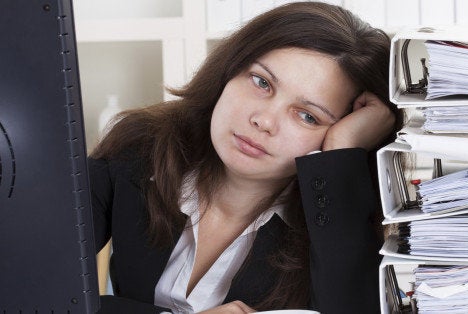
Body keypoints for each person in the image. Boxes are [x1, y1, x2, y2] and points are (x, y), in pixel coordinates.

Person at [88, 2, 402, 313]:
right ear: (230, 68)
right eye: (262, 82)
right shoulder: (140, 148)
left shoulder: (335, 220)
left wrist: (343, 150)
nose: (263, 121)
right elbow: (45, 286)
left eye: (307, 116)